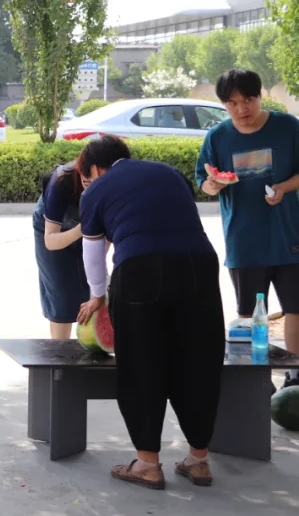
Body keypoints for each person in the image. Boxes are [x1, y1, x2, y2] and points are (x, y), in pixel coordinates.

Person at [77, 135, 223, 490]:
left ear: (96, 169)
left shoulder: (96, 189)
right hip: (199, 266)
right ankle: (198, 460)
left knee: (141, 364)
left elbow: (93, 254)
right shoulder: (169, 172)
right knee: (198, 358)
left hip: (140, 270)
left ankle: (147, 464)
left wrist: (98, 296)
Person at [197, 68, 299, 390]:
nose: (242, 110)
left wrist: (283, 188)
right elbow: (202, 180)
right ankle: (255, 379)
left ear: (260, 97)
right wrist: (212, 185)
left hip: (289, 237)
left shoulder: (288, 127)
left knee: (298, 309)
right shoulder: (217, 137)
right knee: (248, 315)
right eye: (232, 103)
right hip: (244, 241)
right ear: (223, 105)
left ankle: (297, 375)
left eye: (248, 100)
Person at [32, 154, 91, 340]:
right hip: (50, 229)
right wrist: (83, 229)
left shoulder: (113, 185)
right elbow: (51, 240)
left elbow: (105, 240)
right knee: (62, 297)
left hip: (86, 228)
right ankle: (60, 357)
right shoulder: (61, 181)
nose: (90, 182)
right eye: (86, 179)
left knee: (91, 291)